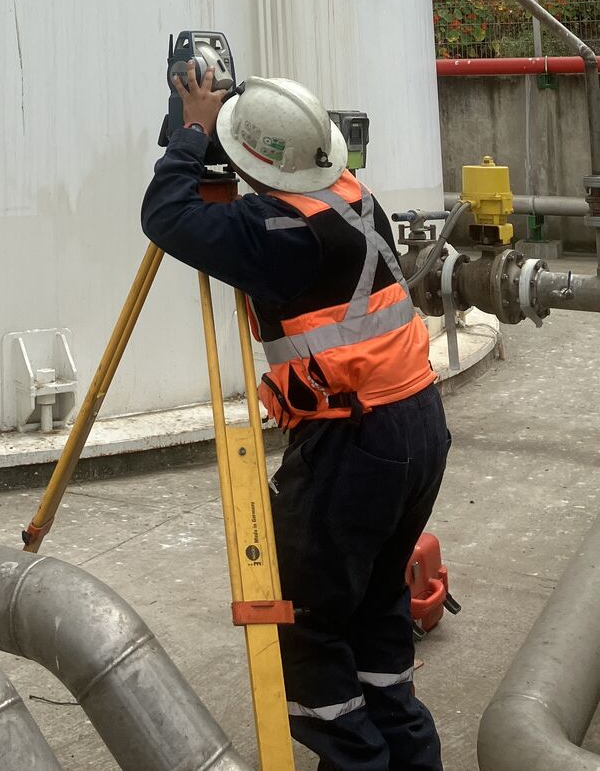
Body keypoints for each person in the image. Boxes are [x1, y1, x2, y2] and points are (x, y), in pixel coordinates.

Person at [142, 66, 449, 771]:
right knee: (374, 613)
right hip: (417, 424)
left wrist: (191, 133)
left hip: (353, 442)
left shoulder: (278, 230)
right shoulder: (354, 197)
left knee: (304, 622)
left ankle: (357, 762)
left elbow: (165, 215)